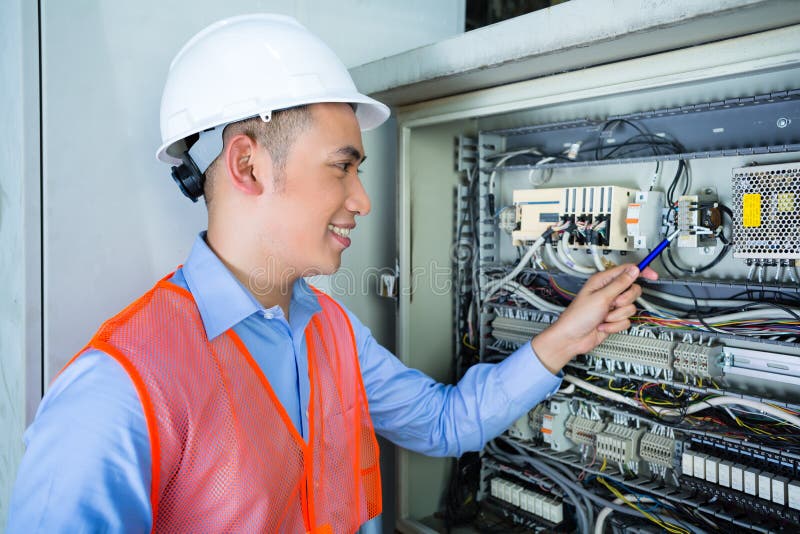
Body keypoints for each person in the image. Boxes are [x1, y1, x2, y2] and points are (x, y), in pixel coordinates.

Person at [7, 14, 656, 533]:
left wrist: (566, 336)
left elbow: (445, 423)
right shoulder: (121, 390)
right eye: (342, 167)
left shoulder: (330, 332)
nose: (362, 200)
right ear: (248, 165)